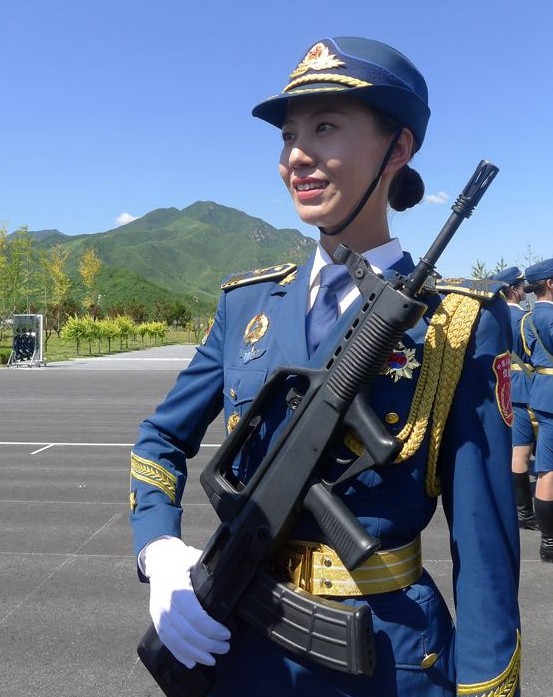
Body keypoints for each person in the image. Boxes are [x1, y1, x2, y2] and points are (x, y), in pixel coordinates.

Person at [129, 37, 521, 696]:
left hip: (387, 660)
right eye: (287, 136)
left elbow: (483, 555)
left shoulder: (457, 324)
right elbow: (160, 438)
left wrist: (487, 688)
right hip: (239, 649)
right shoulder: (247, 302)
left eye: (326, 127)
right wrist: (160, 550)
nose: (295, 157)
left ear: (397, 149)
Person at [492, 266, 539, 529]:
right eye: (521, 286)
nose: (524, 290)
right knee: (533, 452)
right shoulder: (524, 319)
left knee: (516, 451)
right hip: (527, 386)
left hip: (504, 386)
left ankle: (522, 512)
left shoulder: (492, 316)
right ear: (513, 289)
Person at [522, 258, 553, 562]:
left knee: (546, 466)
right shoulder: (551, 316)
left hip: (542, 392)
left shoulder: (530, 317)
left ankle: (549, 541)